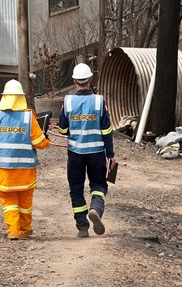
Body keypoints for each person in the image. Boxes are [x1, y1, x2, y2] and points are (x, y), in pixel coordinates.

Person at [0, 80, 51, 240]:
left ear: (4, 97)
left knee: (9, 202)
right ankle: (25, 229)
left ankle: (13, 230)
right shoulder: (28, 116)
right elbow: (38, 142)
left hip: (4, 171)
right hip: (25, 172)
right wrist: (46, 141)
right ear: (21, 97)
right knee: (25, 202)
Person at [57, 63, 116, 238]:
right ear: (90, 80)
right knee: (98, 185)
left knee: (76, 188)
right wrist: (111, 155)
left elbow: (62, 129)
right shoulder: (99, 101)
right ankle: (96, 209)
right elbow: (106, 131)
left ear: (74, 81)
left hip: (75, 153)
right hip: (97, 153)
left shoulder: (67, 101)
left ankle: (82, 227)